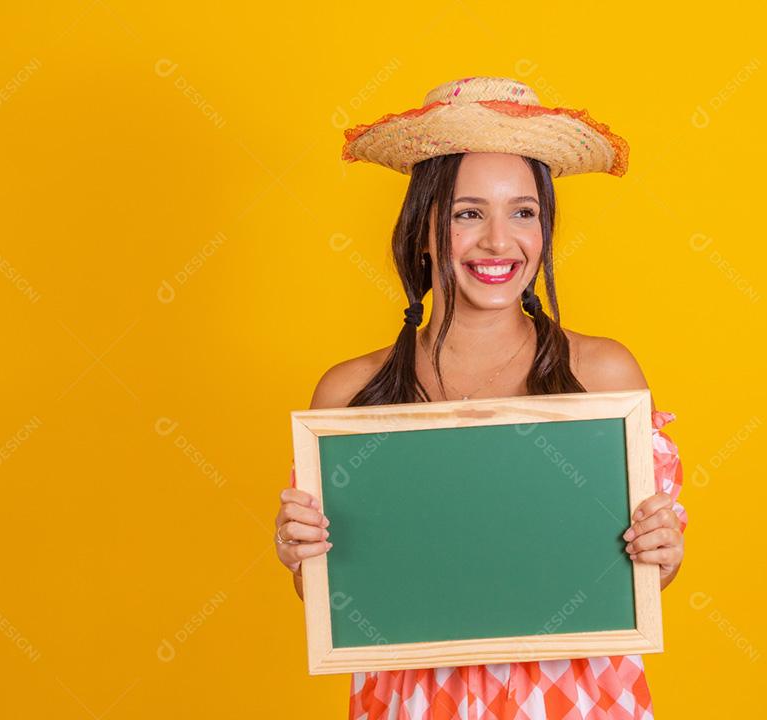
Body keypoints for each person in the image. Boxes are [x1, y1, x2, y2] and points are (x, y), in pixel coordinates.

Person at [275, 76, 689, 719]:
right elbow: (343, 594)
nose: (499, 242)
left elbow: (639, 578)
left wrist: (660, 552)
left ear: (545, 228)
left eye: (523, 212)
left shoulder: (605, 375)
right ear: (424, 229)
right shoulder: (351, 393)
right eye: (468, 213)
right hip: (414, 701)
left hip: (575, 699)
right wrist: (301, 556)